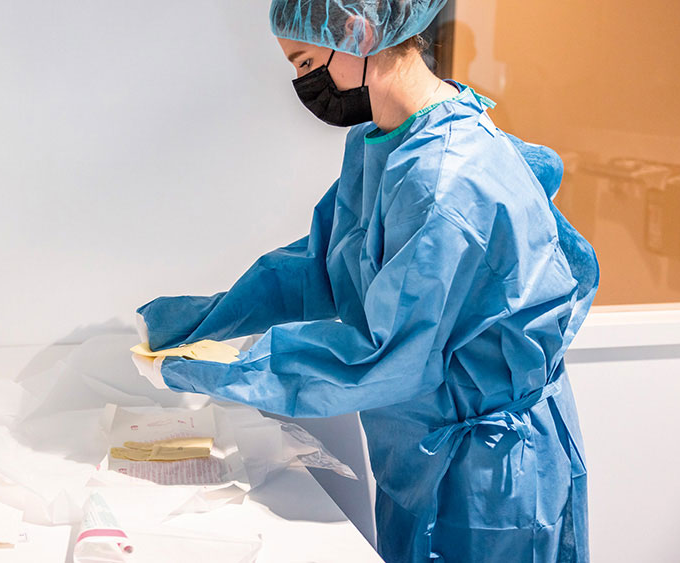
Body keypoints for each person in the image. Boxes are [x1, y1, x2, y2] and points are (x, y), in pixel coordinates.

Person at [132, 1, 598, 561]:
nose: (304, 84)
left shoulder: (447, 178)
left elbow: (386, 353)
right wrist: (195, 323)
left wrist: (216, 368)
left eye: (305, 63)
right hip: (424, 449)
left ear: (357, 31)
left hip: (491, 474)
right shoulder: (383, 142)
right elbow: (324, 265)